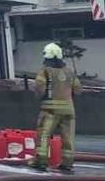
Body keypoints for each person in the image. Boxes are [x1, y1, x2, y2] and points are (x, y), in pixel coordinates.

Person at [29, 42, 82, 172]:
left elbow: (40, 87)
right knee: (68, 138)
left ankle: (41, 161)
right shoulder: (69, 71)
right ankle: (67, 163)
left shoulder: (45, 70)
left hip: (50, 110)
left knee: (44, 134)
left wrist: (39, 96)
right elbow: (78, 90)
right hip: (69, 110)